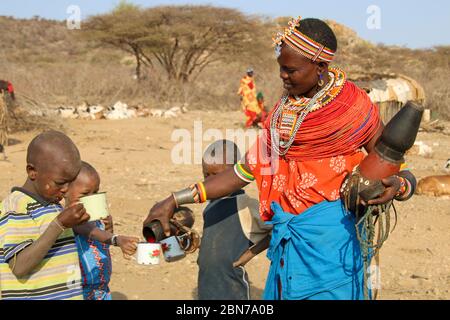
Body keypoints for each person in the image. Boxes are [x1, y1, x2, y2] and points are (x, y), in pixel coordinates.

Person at [145, 17, 417, 300]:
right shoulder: (281, 115)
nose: (283, 76)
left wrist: (400, 185)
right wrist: (174, 200)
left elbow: (395, 165)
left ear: (321, 67)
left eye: (291, 70)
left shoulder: (353, 108)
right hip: (287, 248)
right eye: (281, 69)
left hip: (333, 248)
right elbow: (242, 172)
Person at [0, 130, 89, 300]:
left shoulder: (52, 203)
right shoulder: (15, 208)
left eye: (71, 182)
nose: (66, 189)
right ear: (32, 171)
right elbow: (19, 266)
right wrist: (59, 225)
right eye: (60, 183)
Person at [197, 140, 272, 300]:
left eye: (216, 175)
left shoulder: (245, 205)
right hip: (206, 288)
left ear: (233, 174)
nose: (209, 182)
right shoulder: (210, 206)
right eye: (206, 175)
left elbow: (278, 229)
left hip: (232, 292)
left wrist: (251, 253)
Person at [65, 161, 139, 300]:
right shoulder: (69, 219)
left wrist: (109, 228)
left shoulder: (96, 220)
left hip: (102, 290)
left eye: (96, 192)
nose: (92, 198)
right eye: (85, 194)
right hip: (79, 293)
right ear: (65, 191)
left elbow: (101, 243)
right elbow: (88, 231)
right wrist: (116, 239)